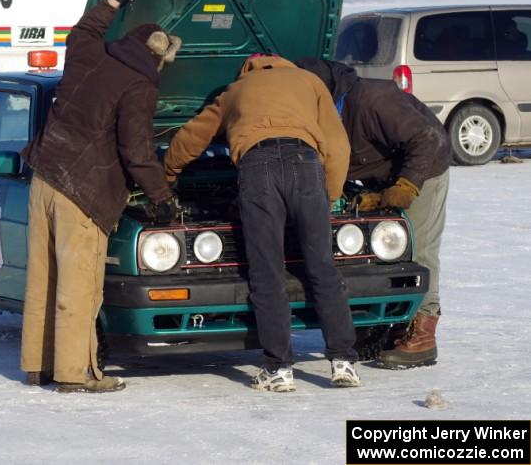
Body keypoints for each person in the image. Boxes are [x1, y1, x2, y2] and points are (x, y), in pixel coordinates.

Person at [20, 0, 182, 393]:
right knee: (79, 283)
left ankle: (39, 365)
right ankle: (76, 373)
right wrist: (161, 197)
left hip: (44, 178)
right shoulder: (139, 86)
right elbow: (136, 151)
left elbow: (83, 30)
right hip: (83, 192)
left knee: (44, 277)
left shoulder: (91, 53)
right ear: (157, 56)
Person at [163, 54, 361, 392]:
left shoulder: (236, 91)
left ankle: (278, 369)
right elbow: (338, 144)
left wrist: (167, 173)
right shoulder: (310, 82)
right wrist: (329, 195)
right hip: (306, 162)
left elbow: (191, 138)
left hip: (258, 166)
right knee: (322, 267)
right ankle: (343, 361)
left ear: (247, 71)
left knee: (267, 270)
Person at [296, 58, 450, 369]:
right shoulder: (319, 110)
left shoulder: (372, 98)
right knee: (381, 252)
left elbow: (427, 139)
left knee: (418, 247)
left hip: (425, 169)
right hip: (379, 178)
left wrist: (407, 185)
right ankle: (388, 325)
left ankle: (423, 334)